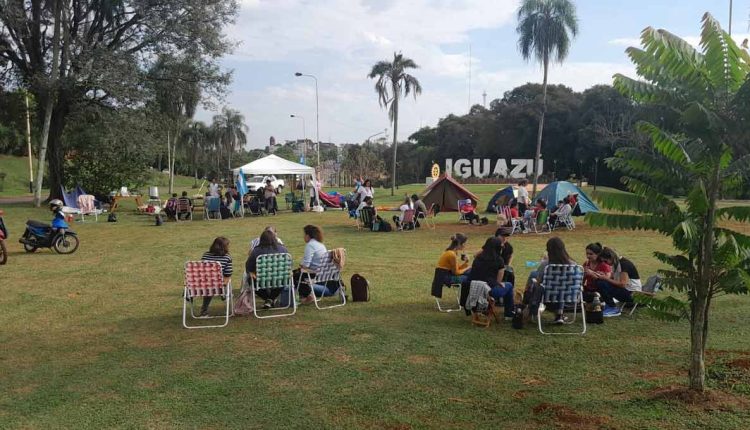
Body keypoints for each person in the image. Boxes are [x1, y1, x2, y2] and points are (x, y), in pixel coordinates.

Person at [529, 237, 576, 324]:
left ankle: (529, 309)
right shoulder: (573, 265)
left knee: (536, 284)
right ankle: (559, 314)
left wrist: (534, 282)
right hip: (569, 297)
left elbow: (539, 281)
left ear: (548, 250)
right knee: (561, 288)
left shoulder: (546, 265)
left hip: (549, 297)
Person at [469, 237, 514, 319]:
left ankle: (485, 308)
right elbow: (498, 281)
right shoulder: (499, 260)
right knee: (509, 285)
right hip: (489, 291)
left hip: (474, 289)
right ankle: (509, 314)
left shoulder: (478, 258)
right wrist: (500, 283)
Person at [246, 229, 289, 309]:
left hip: (261, 281)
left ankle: (268, 299)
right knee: (285, 277)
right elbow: (288, 265)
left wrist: (251, 272)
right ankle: (271, 299)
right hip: (279, 280)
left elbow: (249, 267)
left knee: (250, 279)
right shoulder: (283, 249)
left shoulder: (256, 250)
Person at [594, 247, 642, 317]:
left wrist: (606, 279)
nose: (605, 263)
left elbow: (622, 284)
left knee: (601, 283)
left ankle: (612, 308)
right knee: (600, 281)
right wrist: (604, 276)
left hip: (632, 294)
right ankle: (609, 305)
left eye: (605, 261)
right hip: (628, 291)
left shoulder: (624, 264)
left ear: (611, 258)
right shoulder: (616, 264)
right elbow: (614, 279)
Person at [293, 225, 328, 304]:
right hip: (322, 272)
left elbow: (306, 264)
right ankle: (305, 295)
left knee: (293, 275)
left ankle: (308, 295)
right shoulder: (320, 244)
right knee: (297, 273)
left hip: (314, 272)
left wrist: (301, 265)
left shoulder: (310, 245)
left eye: (304, 235)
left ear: (308, 236)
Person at [198, 237, 233, 316]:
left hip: (202, 286)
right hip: (218, 286)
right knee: (225, 281)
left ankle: (204, 310)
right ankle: (224, 295)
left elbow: (201, 271)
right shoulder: (226, 257)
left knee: (210, 282)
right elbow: (228, 274)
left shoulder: (205, 255)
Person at [431, 233, 471, 298]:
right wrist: (467, 268)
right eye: (464, 243)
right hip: (445, 278)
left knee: (471, 273)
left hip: (446, 275)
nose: (465, 245)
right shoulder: (451, 254)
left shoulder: (452, 252)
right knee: (470, 278)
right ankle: (466, 300)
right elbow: (456, 272)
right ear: (460, 244)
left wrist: (466, 262)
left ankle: (466, 299)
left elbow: (457, 269)